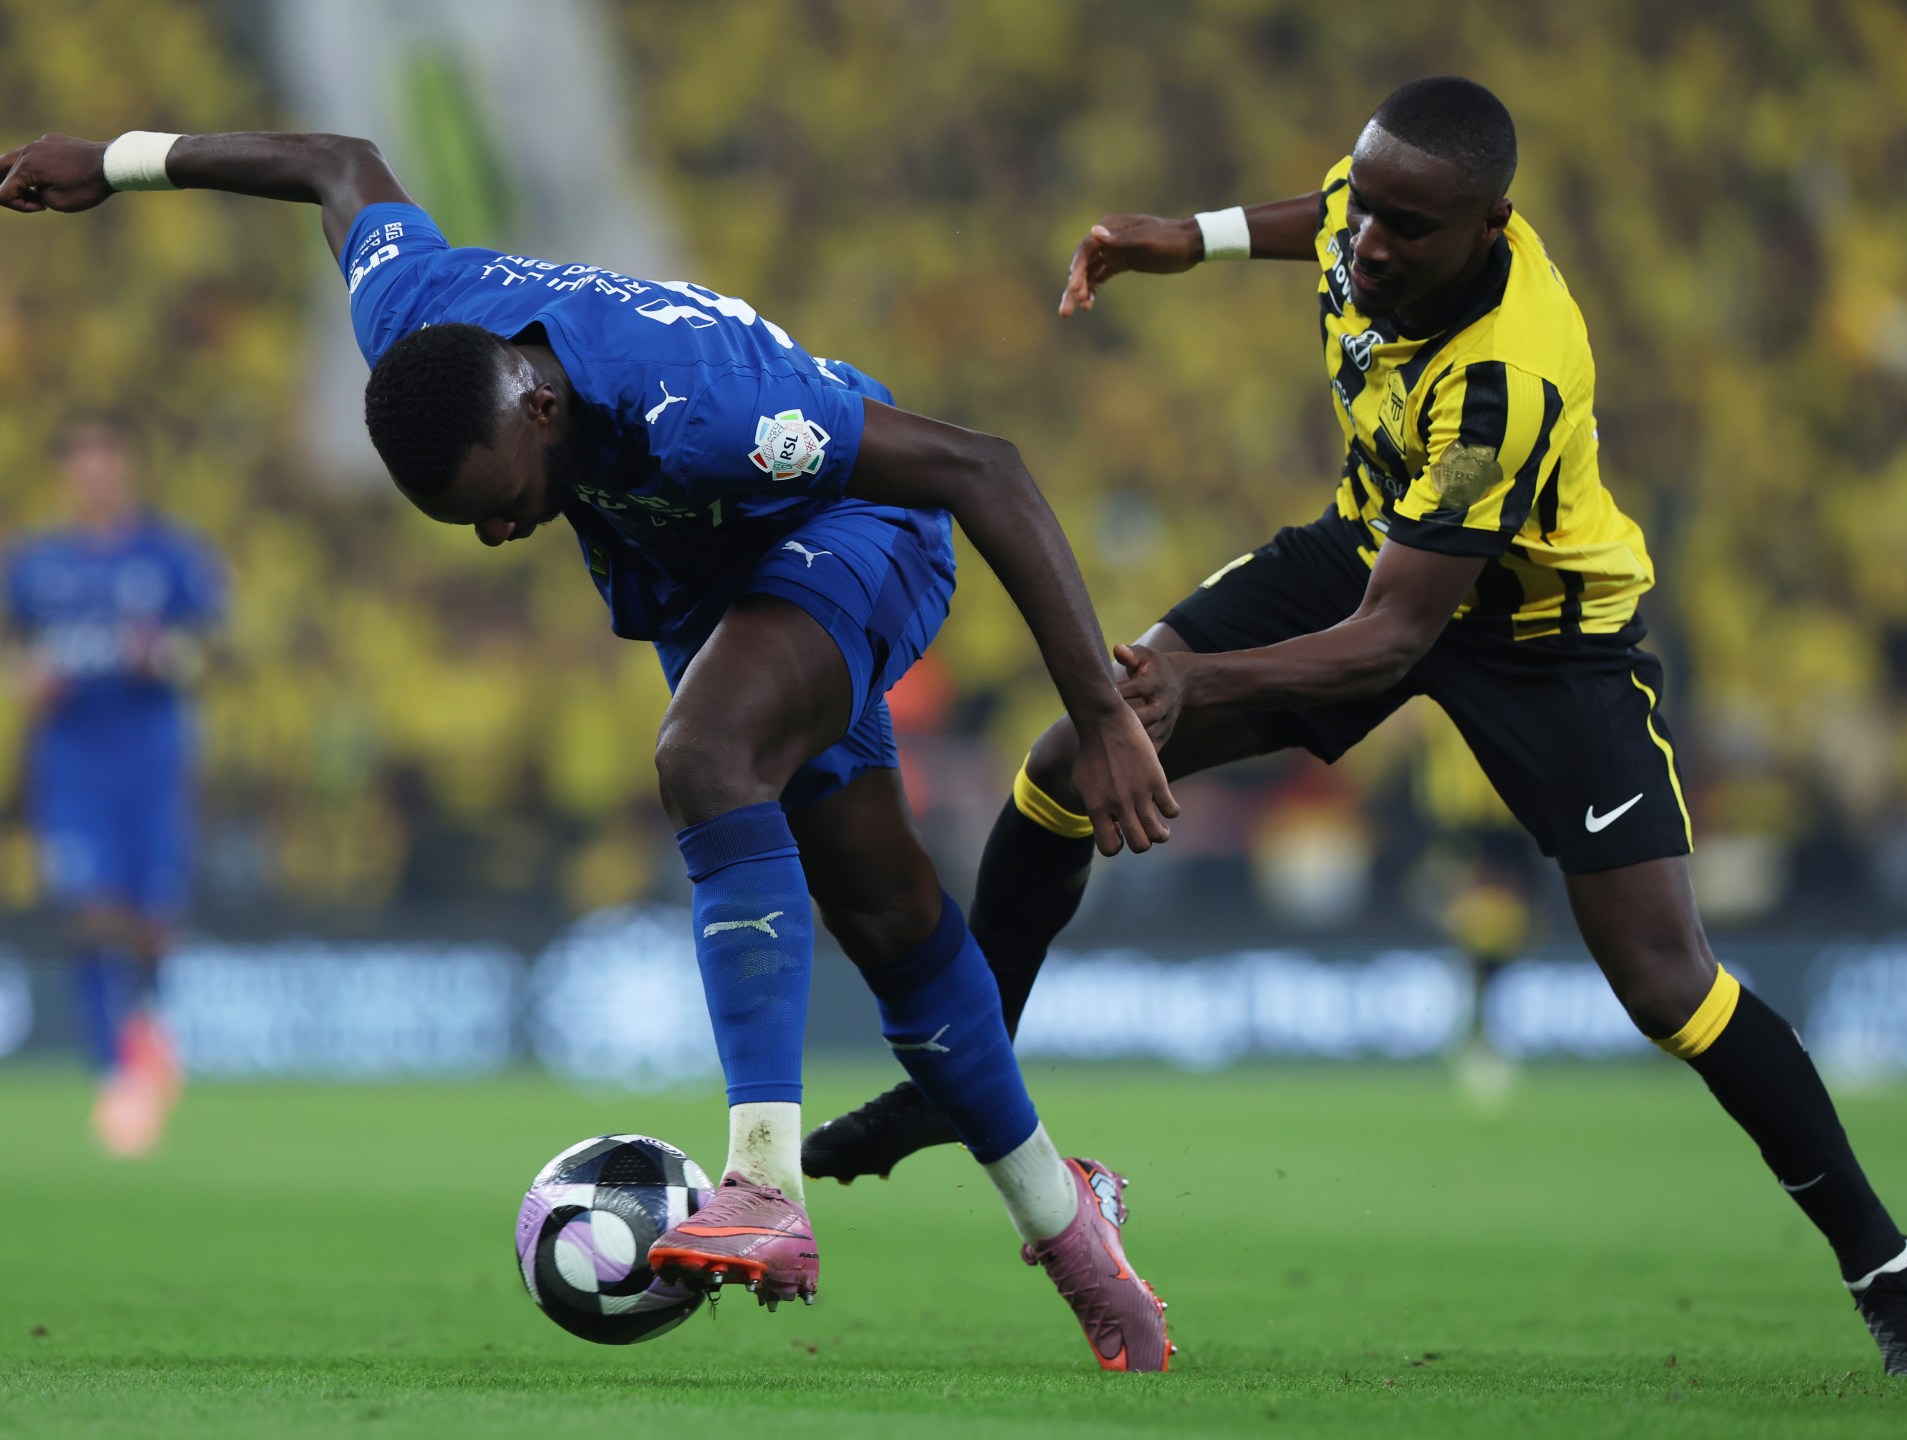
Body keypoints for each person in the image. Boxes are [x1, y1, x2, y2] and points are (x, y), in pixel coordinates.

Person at [0, 127, 1178, 1370]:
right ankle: (1073, 1228)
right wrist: (118, 161)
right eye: (466, 522)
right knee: (889, 924)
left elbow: (978, 467)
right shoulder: (420, 319)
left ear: (543, 405)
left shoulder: (706, 409)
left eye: (500, 500)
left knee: (705, 756)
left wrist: (1099, 714)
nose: (500, 534)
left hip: (854, 526)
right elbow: (337, 165)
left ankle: (763, 1182)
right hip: (711, 590)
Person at [802, 76, 1907, 1376]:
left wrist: (1180, 689)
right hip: (1371, 548)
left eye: (1404, 228)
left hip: (1540, 636)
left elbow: (1394, 642)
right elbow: (1323, 213)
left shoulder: (1508, 376)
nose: (1367, 243)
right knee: (1062, 767)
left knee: (1666, 981)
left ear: (1487, 231)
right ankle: (964, 1080)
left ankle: (1889, 1270)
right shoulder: (1378, 203)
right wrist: (1189, 237)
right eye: (1366, 209)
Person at [2, 418, 224, 1156]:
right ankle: (119, 1075)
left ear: (126, 468)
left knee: (151, 920)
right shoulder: (36, 563)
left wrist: (167, 656)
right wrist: (23, 679)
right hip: (71, 758)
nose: (94, 476)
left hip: (149, 754)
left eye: (106, 462)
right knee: (91, 910)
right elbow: (13, 653)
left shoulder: (169, 554)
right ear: (68, 474)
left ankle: (147, 1035)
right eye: (81, 463)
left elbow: (212, 649)